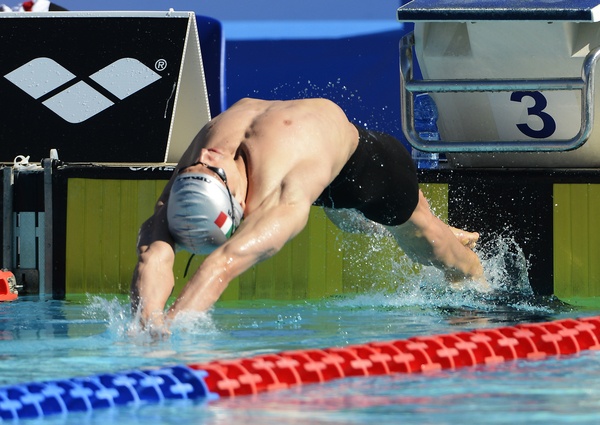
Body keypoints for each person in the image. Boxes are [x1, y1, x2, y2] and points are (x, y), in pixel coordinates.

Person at [130, 98, 484, 328]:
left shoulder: (290, 189)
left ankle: (479, 278)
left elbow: (221, 264)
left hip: (371, 171)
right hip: (316, 161)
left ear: (236, 205)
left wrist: (173, 327)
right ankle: (444, 229)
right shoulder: (197, 164)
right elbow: (153, 251)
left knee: (428, 247)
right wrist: (146, 322)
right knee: (350, 223)